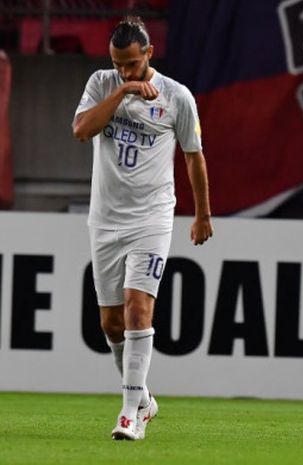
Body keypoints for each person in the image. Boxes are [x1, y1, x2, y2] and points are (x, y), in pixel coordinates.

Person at [72, 17, 213, 440]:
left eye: (132, 64)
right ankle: (144, 399)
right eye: (119, 64)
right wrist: (123, 90)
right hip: (105, 219)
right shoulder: (103, 83)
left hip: (151, 217)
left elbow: (194, 156)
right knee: (111, 324)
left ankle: (130, 414)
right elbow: (82, 130)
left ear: (149, 53)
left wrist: (202, 214)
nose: (126, 70)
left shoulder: (177, 97)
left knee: (139, 307)